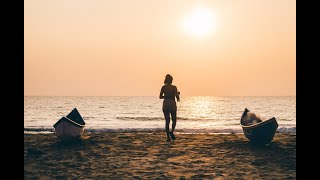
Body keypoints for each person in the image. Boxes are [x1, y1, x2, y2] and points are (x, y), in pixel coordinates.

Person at [159, 74, 180, 142]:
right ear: (171, 80)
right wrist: (177, 95)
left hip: (165, 105)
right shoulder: (174, 87)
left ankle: (168, 137)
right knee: (174, 120)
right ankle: (172, 131)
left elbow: (160, 97)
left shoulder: (163, 87)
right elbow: (177, 97)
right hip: (172, 105)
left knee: (167, 121)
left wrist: (166, 96)